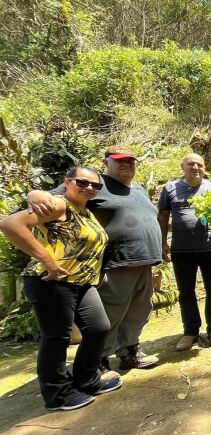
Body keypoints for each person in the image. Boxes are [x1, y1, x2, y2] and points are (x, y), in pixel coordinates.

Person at [26, 146, 162, 370]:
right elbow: (54, 196)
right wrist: (34, 194)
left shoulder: (139, 189)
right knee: (110, 314)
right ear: (106, 162)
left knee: (139, 311)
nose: (127, 164)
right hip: (116, 262)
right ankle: (98, 361)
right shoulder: (95, 184)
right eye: (120, 160)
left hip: (145, 262)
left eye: (130, 161)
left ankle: (129, 351)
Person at [0, 167, 122, 411]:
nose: (89, 188)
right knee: (57, 338)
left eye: (95, 185)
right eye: (82, 182)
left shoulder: (84, 211)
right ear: (67, 182)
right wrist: (47, 260)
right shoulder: (58, 205)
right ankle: (58, 394)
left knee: (99, 328)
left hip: (81, 282)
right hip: (51, 282)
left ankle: (87, 379)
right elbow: (10, 224)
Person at [157, 153, 211, 351]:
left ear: (205, 168)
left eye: (200, 165)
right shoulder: (170, 188)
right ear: (183, 166)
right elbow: (162, 216)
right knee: (186, 292)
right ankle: (190, 332)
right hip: (181, 250)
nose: (195, 167)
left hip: (210, 248)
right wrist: (162, 242)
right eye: (191, 164)